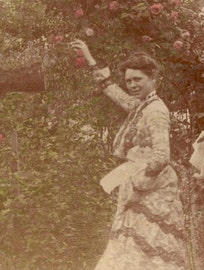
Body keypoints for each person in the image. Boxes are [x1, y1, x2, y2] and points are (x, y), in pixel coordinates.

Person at [71, 39, 186, 270]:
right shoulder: (142, 105)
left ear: (152, 79)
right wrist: (90, 59)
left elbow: (162, 155)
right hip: (140, 184)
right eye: (129, 80)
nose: (132, 85)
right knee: (130, 247)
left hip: (153, 189)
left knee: (149, 248)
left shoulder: (155, 110)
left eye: (138, 80)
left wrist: (137, 181)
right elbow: (115, 93)